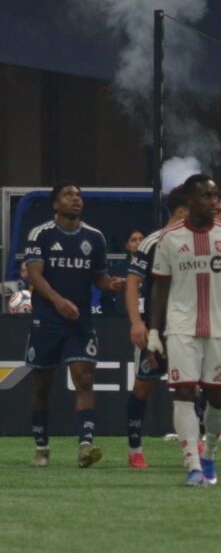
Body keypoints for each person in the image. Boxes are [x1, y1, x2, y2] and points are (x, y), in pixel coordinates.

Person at [148, 174, 221, 486]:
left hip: (220, 328)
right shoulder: (170, 238)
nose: (214, 202)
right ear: (189, 200)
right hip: (181, 327)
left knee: (217, 398)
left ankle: (210, 453)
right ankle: (192, 465)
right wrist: (154, 331)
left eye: (215, 195)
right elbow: (159, 287)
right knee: (183, 391)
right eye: (206, 196)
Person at [23, 182, 124, 468]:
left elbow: (99, 276)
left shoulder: (95, 237)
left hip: (79, 320)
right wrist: (57, 301)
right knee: (42, 385)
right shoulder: (41, 234)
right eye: (68, 195)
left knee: (85, 379)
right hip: (47, 319)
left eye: (78, 195)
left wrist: (110, 284)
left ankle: (85, 446)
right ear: (55, 204)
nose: (76, 199)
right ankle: (42, 447)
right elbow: (35, 275)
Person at [124, 186, 189, 468]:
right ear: (182, 211)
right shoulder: (153, 242)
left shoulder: (198, 240)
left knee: (189, 387)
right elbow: (132, 283)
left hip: (186, 328)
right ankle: (135, 450)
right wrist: (137, 323)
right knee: (143, 387)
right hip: (156, 328)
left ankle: (192, 449)